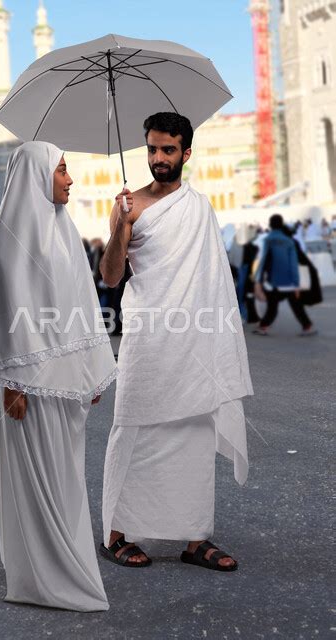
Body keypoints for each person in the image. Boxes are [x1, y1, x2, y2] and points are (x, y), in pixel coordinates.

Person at [0, 141, 118, 612]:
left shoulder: (63, 231)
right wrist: (12, 384)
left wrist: (90, 370)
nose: (70, 180)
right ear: (37, 176)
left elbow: (81, 308)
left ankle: (63, 562)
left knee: (66, 477)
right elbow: (5, 311)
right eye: (62, 171)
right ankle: (43, 578)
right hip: (27, 389)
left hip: (65, 387)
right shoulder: (14, 234)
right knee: (39, 481)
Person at [99, 112, 253, 571]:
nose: (158, 158)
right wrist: (121, 229)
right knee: (133, 428)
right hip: (148, 340)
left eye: (168, 150)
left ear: (186, 153)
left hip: (195, 341)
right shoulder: (131, 206)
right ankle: (115, 533)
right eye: (151, 149)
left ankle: (194, 540)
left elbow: (210, 280)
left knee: (193, 433)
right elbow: (109, 276)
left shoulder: (199, 206)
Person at [253, 214, 317, 337]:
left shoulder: (267, 240)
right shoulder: (289, 241)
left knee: (272, 306)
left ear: (270, 225)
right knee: (296, 306)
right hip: (289, 282)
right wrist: (296, 283)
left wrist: (258, 280)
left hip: (273, 282)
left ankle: (263, 326)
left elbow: (263, 261)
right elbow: (293, 264)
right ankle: (307, 326)